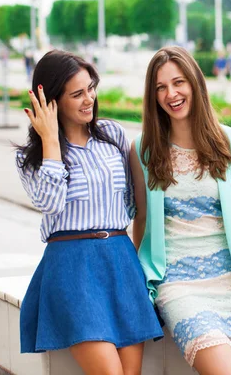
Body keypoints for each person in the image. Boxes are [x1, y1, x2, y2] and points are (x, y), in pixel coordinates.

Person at [130, 46, 231, 375]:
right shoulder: (144, 149)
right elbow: (141, 222)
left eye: (178, 82)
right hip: (179, 286)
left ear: (196, 83)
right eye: (160, 87)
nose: (171, 93)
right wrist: (141, 286)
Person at [16, 50, 163, 374]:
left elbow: (132, 203)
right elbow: (50, 204)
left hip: (119, 262)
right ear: (51, 100)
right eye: (77, 93)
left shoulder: (112, 134)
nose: (89, 99)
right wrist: (51, 141)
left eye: (91, 89)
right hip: (72, 267)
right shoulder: (32, 158)